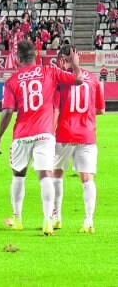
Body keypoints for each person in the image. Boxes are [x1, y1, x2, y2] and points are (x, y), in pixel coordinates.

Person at [0, 39, 83, 235]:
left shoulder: (12, 81)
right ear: (36, 56)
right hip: (45, 133)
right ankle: (48, 221)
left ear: (17, 58)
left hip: (22, 135)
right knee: (45, 175)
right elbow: (78, 79)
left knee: (18, 175)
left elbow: (7, 111)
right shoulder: (49, 72)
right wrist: (74, 62)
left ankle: (17, 219)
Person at [52, 45, 105, 233]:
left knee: (57, 173)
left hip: (64, 133)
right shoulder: (94, 80)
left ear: (61, 61)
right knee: (87, 177)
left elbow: (55, 109)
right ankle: (89, 220)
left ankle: (56, 217)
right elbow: (101, 110)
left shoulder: (61, 80)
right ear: (78, 58)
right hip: (87, 134)